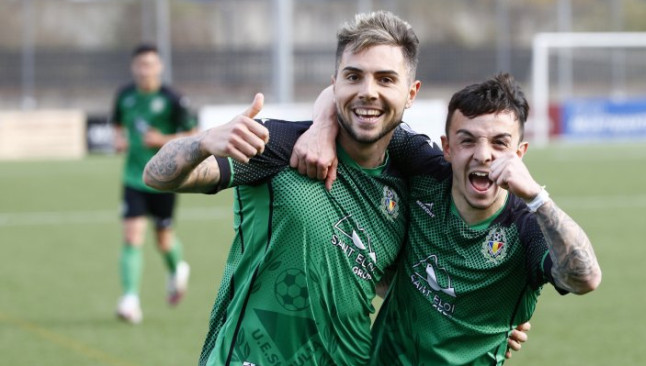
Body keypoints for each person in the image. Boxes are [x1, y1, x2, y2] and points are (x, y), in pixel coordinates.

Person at [144, 11, 527, 365]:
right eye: (353, 76)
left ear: (411, 94)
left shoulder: (413, 175)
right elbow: (159, 176)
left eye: (386, 79)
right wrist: (202, 142)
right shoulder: (278, 145)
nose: (368, 92)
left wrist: (485, 315)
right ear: (335, 83)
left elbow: (397, 279)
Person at [294, 73, 602, 365]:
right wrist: (321, 127)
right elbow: (340, 98)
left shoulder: (528, 229)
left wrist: (537, 197)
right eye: (467, 141)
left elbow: (586, 278)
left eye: (499, 143)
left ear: (519, 153)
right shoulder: (424, 169)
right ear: (447, 148)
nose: (483, 155)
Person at [111, 43, 197, 324]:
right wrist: (119, 139)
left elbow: (194, 134)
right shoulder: (124, 96)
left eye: (150, 64)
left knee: (163, 240)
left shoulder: (173, 99)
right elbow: (117, 125)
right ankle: (130, 299)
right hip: (133, 179)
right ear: (133, 67)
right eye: (140, 65)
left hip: (164, 180)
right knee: (132, 236)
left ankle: (177, 268)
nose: (144, 70)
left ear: (159, 67)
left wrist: (161, 140)